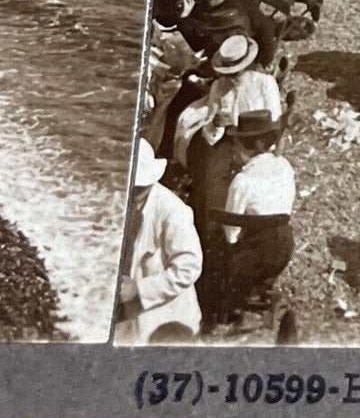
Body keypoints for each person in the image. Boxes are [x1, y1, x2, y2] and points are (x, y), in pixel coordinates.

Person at [200, 109, 296, 325]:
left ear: (248, 146)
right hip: (284, 245)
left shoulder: (242, 181)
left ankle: (219, 311)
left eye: (236, 144)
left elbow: (231, 235)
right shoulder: (284, 166)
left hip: (255, 257)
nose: (233, 149)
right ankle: (262, 290)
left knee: (216, 246)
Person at [114, 141, 203, 345]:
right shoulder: (124, 202)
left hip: (166, 321)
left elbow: (189, 268)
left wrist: (140, 288)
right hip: (130, 317)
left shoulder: (173, 211)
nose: (134, 193)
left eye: (139, 188)